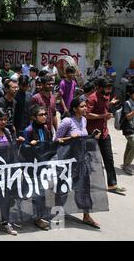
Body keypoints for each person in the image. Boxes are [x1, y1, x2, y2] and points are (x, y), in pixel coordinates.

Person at [55, 96, 100, 228]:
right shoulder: (67, 121)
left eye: (85, 106)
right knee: (63, 188)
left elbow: (82, 137)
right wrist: (70, 137)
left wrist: (92, 136)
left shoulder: (84, 120)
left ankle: (86, 216)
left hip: (81, 159)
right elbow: (56, 140)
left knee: (84, 188)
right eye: (82, 106)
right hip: (67, 161)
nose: (85, 108)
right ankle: (58, 215)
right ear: (74, 109)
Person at [0, 108, 24, 235]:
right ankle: (3, 222)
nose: (3, 122)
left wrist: (17, 142)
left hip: (8, 171)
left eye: (5, 119)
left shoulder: (7, 131)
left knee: (6, 197)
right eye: (0, 119)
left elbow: (11, 148)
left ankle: (5, 221)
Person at [86, 77, 125, 195]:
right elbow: (87, 114)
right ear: (99, 88)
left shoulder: (106, 96)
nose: (109, 90)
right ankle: (87, 184)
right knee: (91, 160)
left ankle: (112, 185)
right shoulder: (92, 98)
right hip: (93, 134)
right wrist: (102, 116)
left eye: (110, 87)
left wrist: (110, 103)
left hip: (104, 133)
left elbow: (104, 106)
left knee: (109, 160)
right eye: (107, 88)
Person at [23, 105, 52, 231]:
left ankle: (38, 217)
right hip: (31, 167)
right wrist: (30, 145)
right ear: (33, 117)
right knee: (27, 193)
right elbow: (23, 150)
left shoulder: (45, 128)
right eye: (41, 115)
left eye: (45, 114)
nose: (44, 116)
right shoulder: (28, 130)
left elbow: (49, 144)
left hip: (42, 166)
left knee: (41, 192)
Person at [121, 83, 134, 175]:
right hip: (128, 129)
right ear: (131, 94)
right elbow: (128, 117)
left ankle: (125, 163)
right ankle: (127, 165)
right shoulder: (127, 103)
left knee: (129, 147)